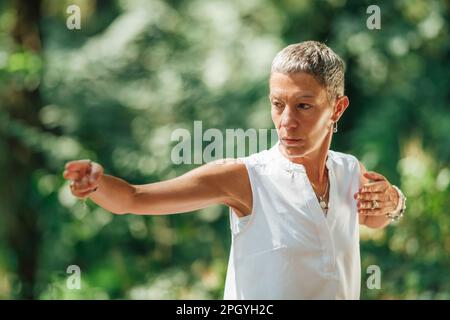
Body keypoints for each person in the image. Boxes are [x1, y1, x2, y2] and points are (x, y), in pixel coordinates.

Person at [63, 41, 406, 299]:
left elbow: (374, 216)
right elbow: (134, 199)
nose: (287, 122)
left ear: (337, 108)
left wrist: (394, 200)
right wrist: (96, 183)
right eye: (277, 104)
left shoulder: (348, 169)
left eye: (303, 105)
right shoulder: (244, 178)